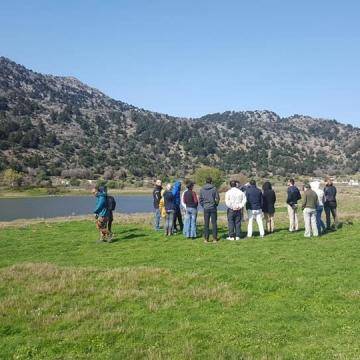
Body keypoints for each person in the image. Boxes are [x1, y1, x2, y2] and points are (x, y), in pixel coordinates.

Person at [199, 176, 220, 243]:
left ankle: (206, 239)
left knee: (206, 224)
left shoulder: (202, 189)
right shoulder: (214, 188)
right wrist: (216, 204)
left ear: (205, 181)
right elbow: (217, 198)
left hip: (206, 207)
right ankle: (214, 239)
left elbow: (200, 199)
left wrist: (203, 205)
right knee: (214, 223)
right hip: (213, 207)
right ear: (211, 181)